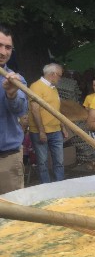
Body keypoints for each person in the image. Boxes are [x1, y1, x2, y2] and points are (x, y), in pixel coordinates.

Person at [27, 63, 67, 184]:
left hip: (55, 130)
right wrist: (41, 131)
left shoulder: (53, 88)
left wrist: (62, 127)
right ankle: (46, 186)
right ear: (53, 74)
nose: (60, 78)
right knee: (42, 162)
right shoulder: (35, 86)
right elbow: (35, 110)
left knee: (59, 161)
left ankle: (60, 185)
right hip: (39, 131)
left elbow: (56, 110)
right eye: (60, 76)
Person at [0, 25, 29, 194]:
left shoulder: (16, 80)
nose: (3, 52)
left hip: (7, 160)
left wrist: (12, 94)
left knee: (11, 215)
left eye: (8, 47)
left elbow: (20, 109)